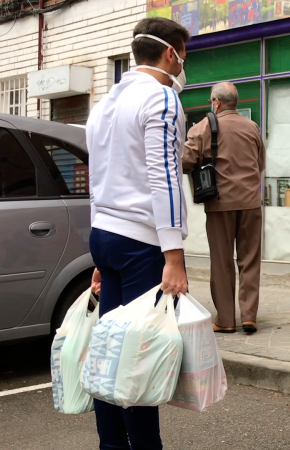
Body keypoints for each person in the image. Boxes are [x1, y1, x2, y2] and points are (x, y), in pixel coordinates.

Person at [86, 17, 190, 449]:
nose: (185, 62)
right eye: (185, 54)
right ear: (171, 53)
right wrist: (174, 255)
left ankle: (112, 445)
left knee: (111, 352)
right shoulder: (161, 98)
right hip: (141, 243)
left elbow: (99, 176)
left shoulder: (106, 102)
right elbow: (163, 176)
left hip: (105, 236)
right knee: (140, 359)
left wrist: (98, 255)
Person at [182, 82, 265, 334]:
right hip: (251, 203)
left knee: (222, 262)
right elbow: (260, 165)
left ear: (216, 103)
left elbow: (185, 162)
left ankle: (226, 320)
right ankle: (249, 316)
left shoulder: (204, 127)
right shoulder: (252, 128)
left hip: (220, 205)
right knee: (250, 260)